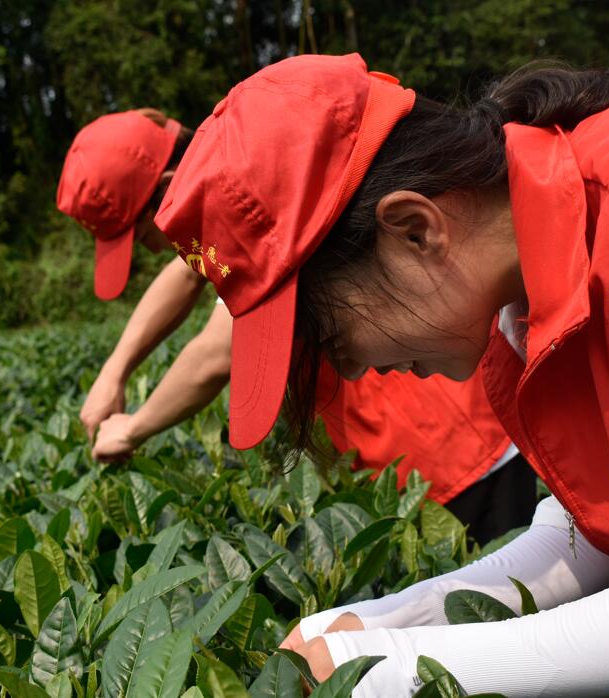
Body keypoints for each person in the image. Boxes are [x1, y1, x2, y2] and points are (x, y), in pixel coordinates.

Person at [154, 53, 609, 696]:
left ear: (414, 230)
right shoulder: (522, 291)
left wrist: (390, 671)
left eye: (333, 338)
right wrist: (383, 621)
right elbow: (602, 532)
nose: (351, 369)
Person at [57, 107, 537, 545]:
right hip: (414, 437)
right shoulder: (233, 170)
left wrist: (132, 430)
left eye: (144, 237)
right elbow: (185, 274)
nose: (154, 250)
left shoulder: (248, 209)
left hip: (446, 445)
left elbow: (217, 354)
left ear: (165, 189)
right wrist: (114, 372)